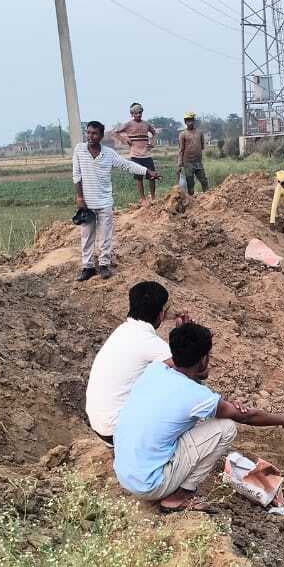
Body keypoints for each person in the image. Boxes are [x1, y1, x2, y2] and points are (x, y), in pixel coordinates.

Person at [113, 321, 284, 509]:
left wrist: (197, 367)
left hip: (125, 473)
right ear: (203, 359)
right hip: (150, 484)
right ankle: (181, 496)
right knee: (226, 428)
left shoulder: (154, 370)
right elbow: (247, 417)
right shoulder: (196, 395)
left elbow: (179, 363)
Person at [85, 281, 187, 443]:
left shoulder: (123, 331)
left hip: (100, 425)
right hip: (118, 431)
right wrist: (185, 333)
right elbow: (188, 367)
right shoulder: (149, 342)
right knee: (181, 389)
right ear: (161, 314)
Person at [73, 120, 152, 281]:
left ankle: (104, 264)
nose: (90, 136)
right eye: (88, 132)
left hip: (105, 203)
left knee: (105, 236)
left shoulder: (108, 153)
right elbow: (77, 175)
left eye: (94, 133)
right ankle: (87, 267)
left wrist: (147, 172)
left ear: (101, 136)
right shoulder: (79, 150)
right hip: (87, 203)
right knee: (86, 236)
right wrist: (80, 197)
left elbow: (126, 165)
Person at [113, 102, 158, 201]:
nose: (138, 115)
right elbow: (115, 132)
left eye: (140, 113)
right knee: (138, 178)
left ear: (142, 113)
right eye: (135, 113)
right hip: (135, 155)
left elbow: (154, 133)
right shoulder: (128, 124)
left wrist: (152, 143)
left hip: (146, 154)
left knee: (152, 176)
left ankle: (153, 198)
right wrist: (125, 140)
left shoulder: (146, 124)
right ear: (132, 114)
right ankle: (143, 199)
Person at [177, 112, 209, 194]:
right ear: (185, 122)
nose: (190, 122)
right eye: (188, 121)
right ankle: (191, 200)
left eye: (191, 120)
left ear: (194, 121)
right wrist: (180, 163)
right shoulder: (182, 134)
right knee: (190, 183)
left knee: (204, 181)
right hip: (187, 163)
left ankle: (208, 197)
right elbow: (181, 149)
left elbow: (202, 146)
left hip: (198, 161)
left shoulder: (200, 133)